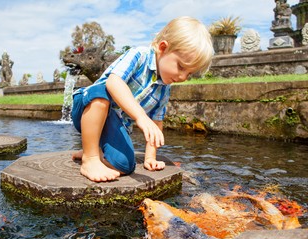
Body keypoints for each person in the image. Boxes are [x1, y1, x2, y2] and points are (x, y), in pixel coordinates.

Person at [71, 16, 213, 182]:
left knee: (124, 165)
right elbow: (114, 82)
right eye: (180, 66)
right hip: (87, 107)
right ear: (163, 48)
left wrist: (150, 158)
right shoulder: (139, 56)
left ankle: (92, 148)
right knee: (102, 92)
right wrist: (140, 117)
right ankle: (90, 158)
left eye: (189, 73)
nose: (183, 76)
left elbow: (156, 122)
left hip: (110, 124)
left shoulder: (163, 89)